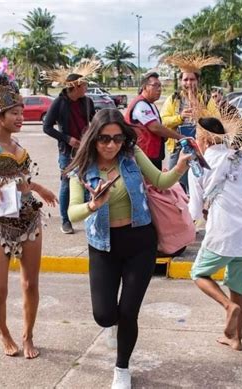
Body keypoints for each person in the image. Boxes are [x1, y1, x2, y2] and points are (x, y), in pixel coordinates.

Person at [66, 109, 190, 389]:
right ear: (93, 138)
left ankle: (122, 368)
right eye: (104, 139)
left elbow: (160, 181)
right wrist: (93, 205)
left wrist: (180, 166)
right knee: (105, 315)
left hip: (140, 243)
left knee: (129, 312)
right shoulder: (82, 169)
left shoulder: (132, 156)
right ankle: (111, 326)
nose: (111, 145)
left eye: (117, 138)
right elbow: (72, 212)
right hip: (102, 246)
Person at [0, 68, 58, 359]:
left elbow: (22, 182)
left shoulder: (19, 147)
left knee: (31, 283)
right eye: (14, 113)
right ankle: (4, 332)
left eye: (21, 112)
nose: (21, 117)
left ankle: (28, 335)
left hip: (28, 218)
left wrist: (40, 188)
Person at [188, 117, 242, 351]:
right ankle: (236, 339)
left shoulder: (198, 165)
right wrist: (241, 194)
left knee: (198, 273)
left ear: (203, 139)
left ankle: (227, 306)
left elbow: (194, 210)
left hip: (221, 233)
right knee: (238, 287)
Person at [42, 59, 98, 234]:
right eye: (84, 86)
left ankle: (91, 218)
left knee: (90, 181)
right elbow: (47, 127)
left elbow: (94, 120)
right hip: (68, 152)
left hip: (86, 149)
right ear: (76, 87)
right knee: (67, 184)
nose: (86, 88)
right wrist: (67, 139)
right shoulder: (59, 103)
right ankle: (66, 221)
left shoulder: (87, 102)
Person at [160, 54, 221, 191]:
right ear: (181, 81)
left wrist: (200, 114)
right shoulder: (173, 99)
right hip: (178, 148)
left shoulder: (206, 99)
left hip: (201, 149)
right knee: (175, 186)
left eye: (192, 79)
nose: (189, 83)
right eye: (185, 79)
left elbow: (216, 121)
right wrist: (180, 117)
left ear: (197, 81)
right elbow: (163, 122)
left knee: (200, 186)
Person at [124, 72, 182, 169]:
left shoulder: (151, 104)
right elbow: (155, 127)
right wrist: (179, 136)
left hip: (152, 156)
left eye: (160, 86)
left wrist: (164, 137)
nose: (159, 89)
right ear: (145, 87)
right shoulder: (140, 104)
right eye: (155, 85)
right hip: (144, 157)